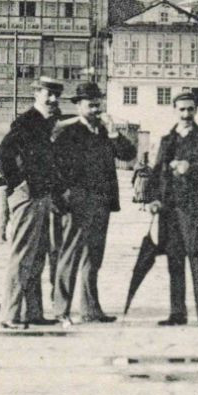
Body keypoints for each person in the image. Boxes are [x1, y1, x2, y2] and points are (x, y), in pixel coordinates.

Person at [51, 82, 137, 325]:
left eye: (98, 104)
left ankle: (90, 309)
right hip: (77, 203)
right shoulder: (67, 133)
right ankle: (61, 310)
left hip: (101, 203)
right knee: (70, 256)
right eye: (91, 104)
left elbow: (128, 155)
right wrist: (64, 197)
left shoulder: (104, 131)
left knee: (94, 258)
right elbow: (56, 169)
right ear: (79, 106)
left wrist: (113, 133)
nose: (96, 109)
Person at [145, 90, 198, 326]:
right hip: (170, 211)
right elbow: (158, 172)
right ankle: (177, 313)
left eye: (190, 109)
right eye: (182, 109)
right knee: (174, 261)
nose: (186, 114)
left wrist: (190, 168)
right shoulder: (167, 140)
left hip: (197, 211)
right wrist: (153, 199)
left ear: (196, 110)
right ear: (175, 110)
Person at [0, 77, 65, 329]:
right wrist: (19, 184)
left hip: (42, 195)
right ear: (36, 94)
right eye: (48, 94)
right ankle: (10, 315)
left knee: (37, 256)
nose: (53, 99)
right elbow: (2, 156)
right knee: (22, 255)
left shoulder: (46, 125)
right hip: (28, 196)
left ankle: (33, 312)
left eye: (57, 95)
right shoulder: (27, 121)